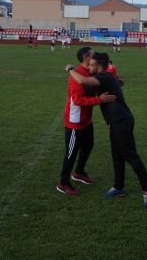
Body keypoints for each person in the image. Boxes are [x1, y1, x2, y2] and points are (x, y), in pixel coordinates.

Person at [66, 52, 147, 208]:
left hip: (122, 121)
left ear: (100, 68)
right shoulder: (106, 77)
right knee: (117, 155)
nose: (89, 66)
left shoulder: (103, 77)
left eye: (92, 65)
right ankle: (118, 187)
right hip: (116, 122)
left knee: (130, 155)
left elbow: (82, 80)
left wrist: (70, 69)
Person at [57, 47, 116, 196]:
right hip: (75, 121)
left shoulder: (91, 72)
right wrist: (99, 100)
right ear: (87, 58)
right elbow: (77, 100)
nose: (96, 55)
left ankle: (78, 172)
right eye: (93, 54)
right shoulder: (77, 75)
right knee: (71, 152)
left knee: (88, 145)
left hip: (86, 119)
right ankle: (63, 183)